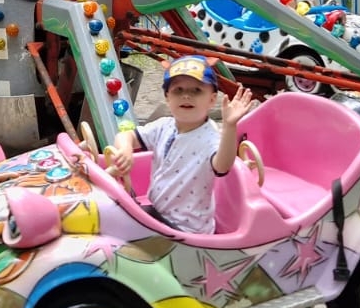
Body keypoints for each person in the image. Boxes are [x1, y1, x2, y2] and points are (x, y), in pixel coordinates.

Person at [95, 55, 256, 234]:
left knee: (111, 232)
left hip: (186, 228)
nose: (186, 95)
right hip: (158, 212)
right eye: (178, 90)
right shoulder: (163, 126)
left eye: (196, 90)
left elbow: (223, 165)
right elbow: (126, 136)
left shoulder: (211, 138)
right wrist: (125, 149)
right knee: (104, 216)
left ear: (211, 99)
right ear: (167, 97)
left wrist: (230, 126)